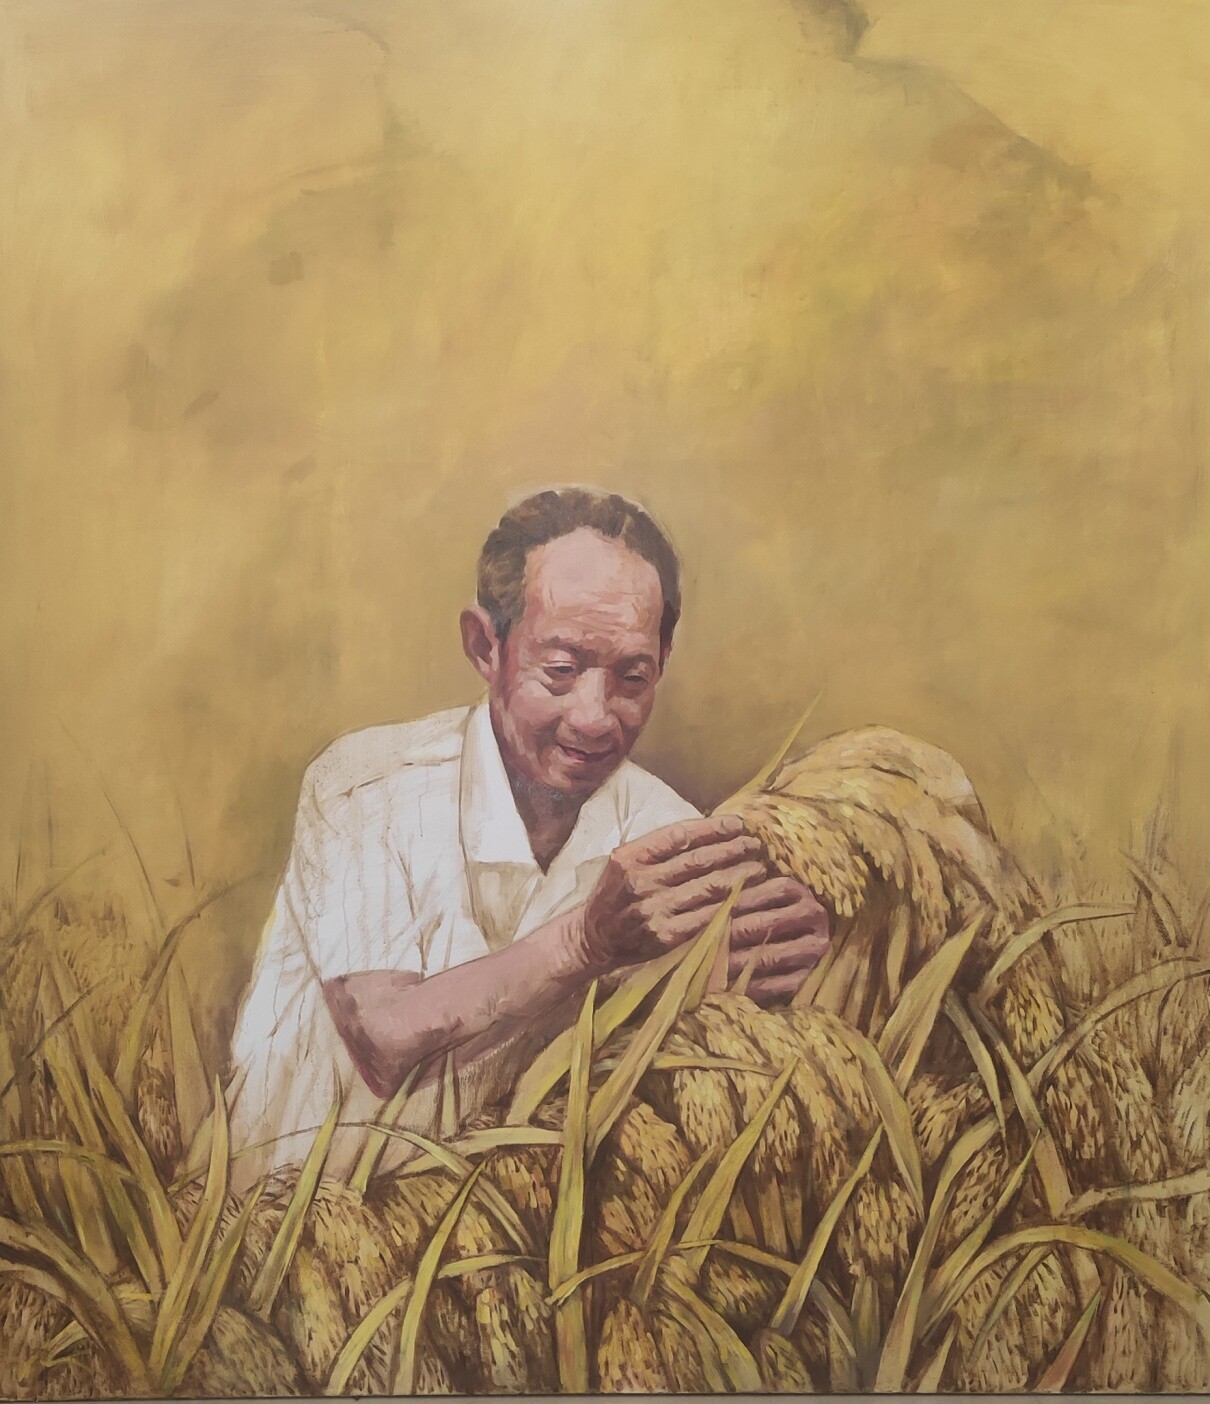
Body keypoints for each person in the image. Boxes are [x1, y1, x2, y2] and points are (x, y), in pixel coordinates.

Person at [226, 487, 830, 1182]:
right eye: (562, 671)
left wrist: (780, 962)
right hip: (281, 1218)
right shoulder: (365, 787)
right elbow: (384, 1040)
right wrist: (589, 943)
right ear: (485, 646)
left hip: (504, 1229)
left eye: (632, 676)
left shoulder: (669, 832)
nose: (595, 717)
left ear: (663, 659)